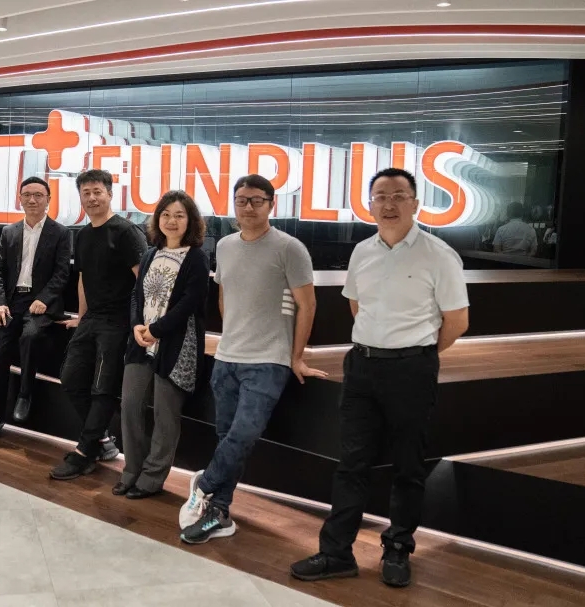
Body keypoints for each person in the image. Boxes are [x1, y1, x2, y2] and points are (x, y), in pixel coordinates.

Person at [290, 168, 469, 588]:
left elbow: (457, 321)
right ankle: (336, 553)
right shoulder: (362, 252)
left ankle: (398, 548)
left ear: (415, 203)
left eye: (398, 196)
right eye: (380, 196)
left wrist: (416, 353)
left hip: (412, 369)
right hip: (362, 366)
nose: (389, 204)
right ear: (370, 204)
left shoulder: (438, 254)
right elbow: (357, 306)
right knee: (351, 462)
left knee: (408, 465)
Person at [179, 174, 327, 544]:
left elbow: (307, 305)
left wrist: (296, 357)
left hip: (268, 361)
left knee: (243, 435)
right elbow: (224, 295)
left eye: (256, 200)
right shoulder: (226, 246)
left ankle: (205, 484)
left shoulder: (289, 248)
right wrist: (230, 335)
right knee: (228, 438)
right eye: (241, 200)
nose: (248, 207)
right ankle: (219, 513)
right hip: (227, 358)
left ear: (270, 204)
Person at [50, 169, 148, 481]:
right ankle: (102, 440)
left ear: (109, 194)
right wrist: (82, 317)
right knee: (70, 379)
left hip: (118, 323)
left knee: (103, 388)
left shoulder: (126, 232)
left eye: (97, 192)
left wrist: (140, 323)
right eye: (86, 193)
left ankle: (85, 452)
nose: (92, 198)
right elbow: (83, 279)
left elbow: (143, 281)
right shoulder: (82, 235)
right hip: (91, 319)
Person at [113, 190, 210, 500]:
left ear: (190, 221)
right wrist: (137, 326)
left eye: (179, 215)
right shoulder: (150, 254)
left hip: (175, 345)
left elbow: (189, 303)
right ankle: (132, 471)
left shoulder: (197, 258)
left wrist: (157, 330)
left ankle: (152, 478)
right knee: (130, 406)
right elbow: (136, 295)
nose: (172, 221)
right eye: (166, 215)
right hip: (140, 341)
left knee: (165, 416)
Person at [0, 176, 72, 442]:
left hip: (42, 304)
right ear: (20, 199)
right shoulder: (9, 232)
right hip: (12, 302)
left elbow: (62, 272)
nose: (32, 200)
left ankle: (25, 393)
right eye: (27, 195)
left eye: (38, 195)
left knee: (30, 336)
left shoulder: (61, 232)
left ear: (48, 200)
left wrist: (44, 298)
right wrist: (0, 303)